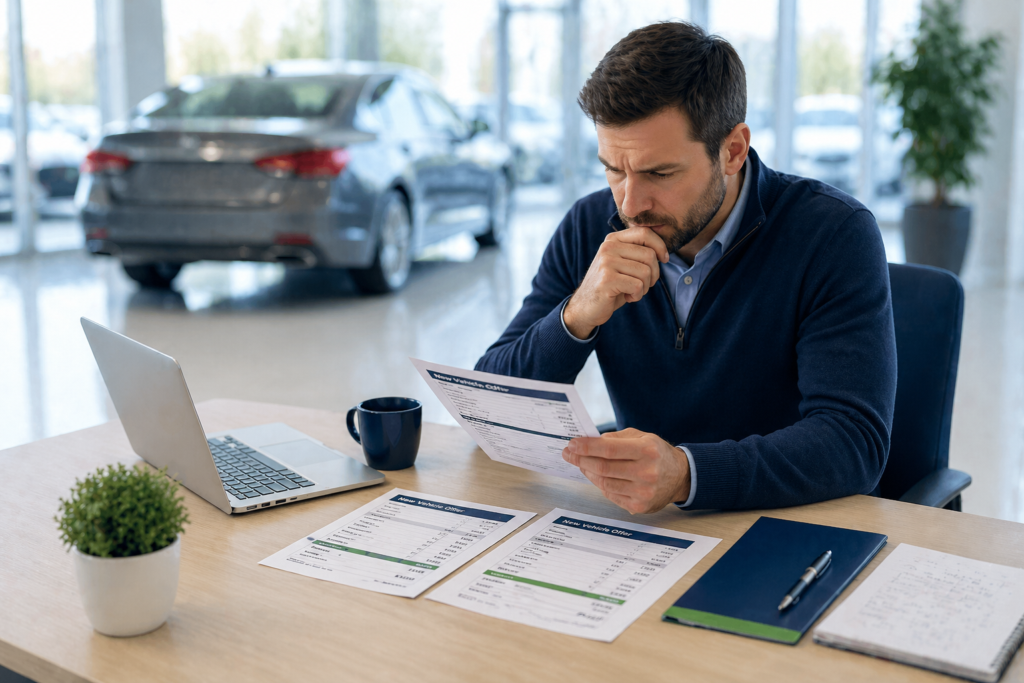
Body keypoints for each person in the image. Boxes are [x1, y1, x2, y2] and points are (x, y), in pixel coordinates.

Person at [475, 22, 897, 514]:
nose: (630, 202)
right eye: (613, 169)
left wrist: (686, 473)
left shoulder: (834, 234)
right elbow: (490, 405)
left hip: (787, 521)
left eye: (659, 172)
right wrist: (576, 316)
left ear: (733, 151)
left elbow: (852, 442)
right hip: (651, 530)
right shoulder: (589, 226)